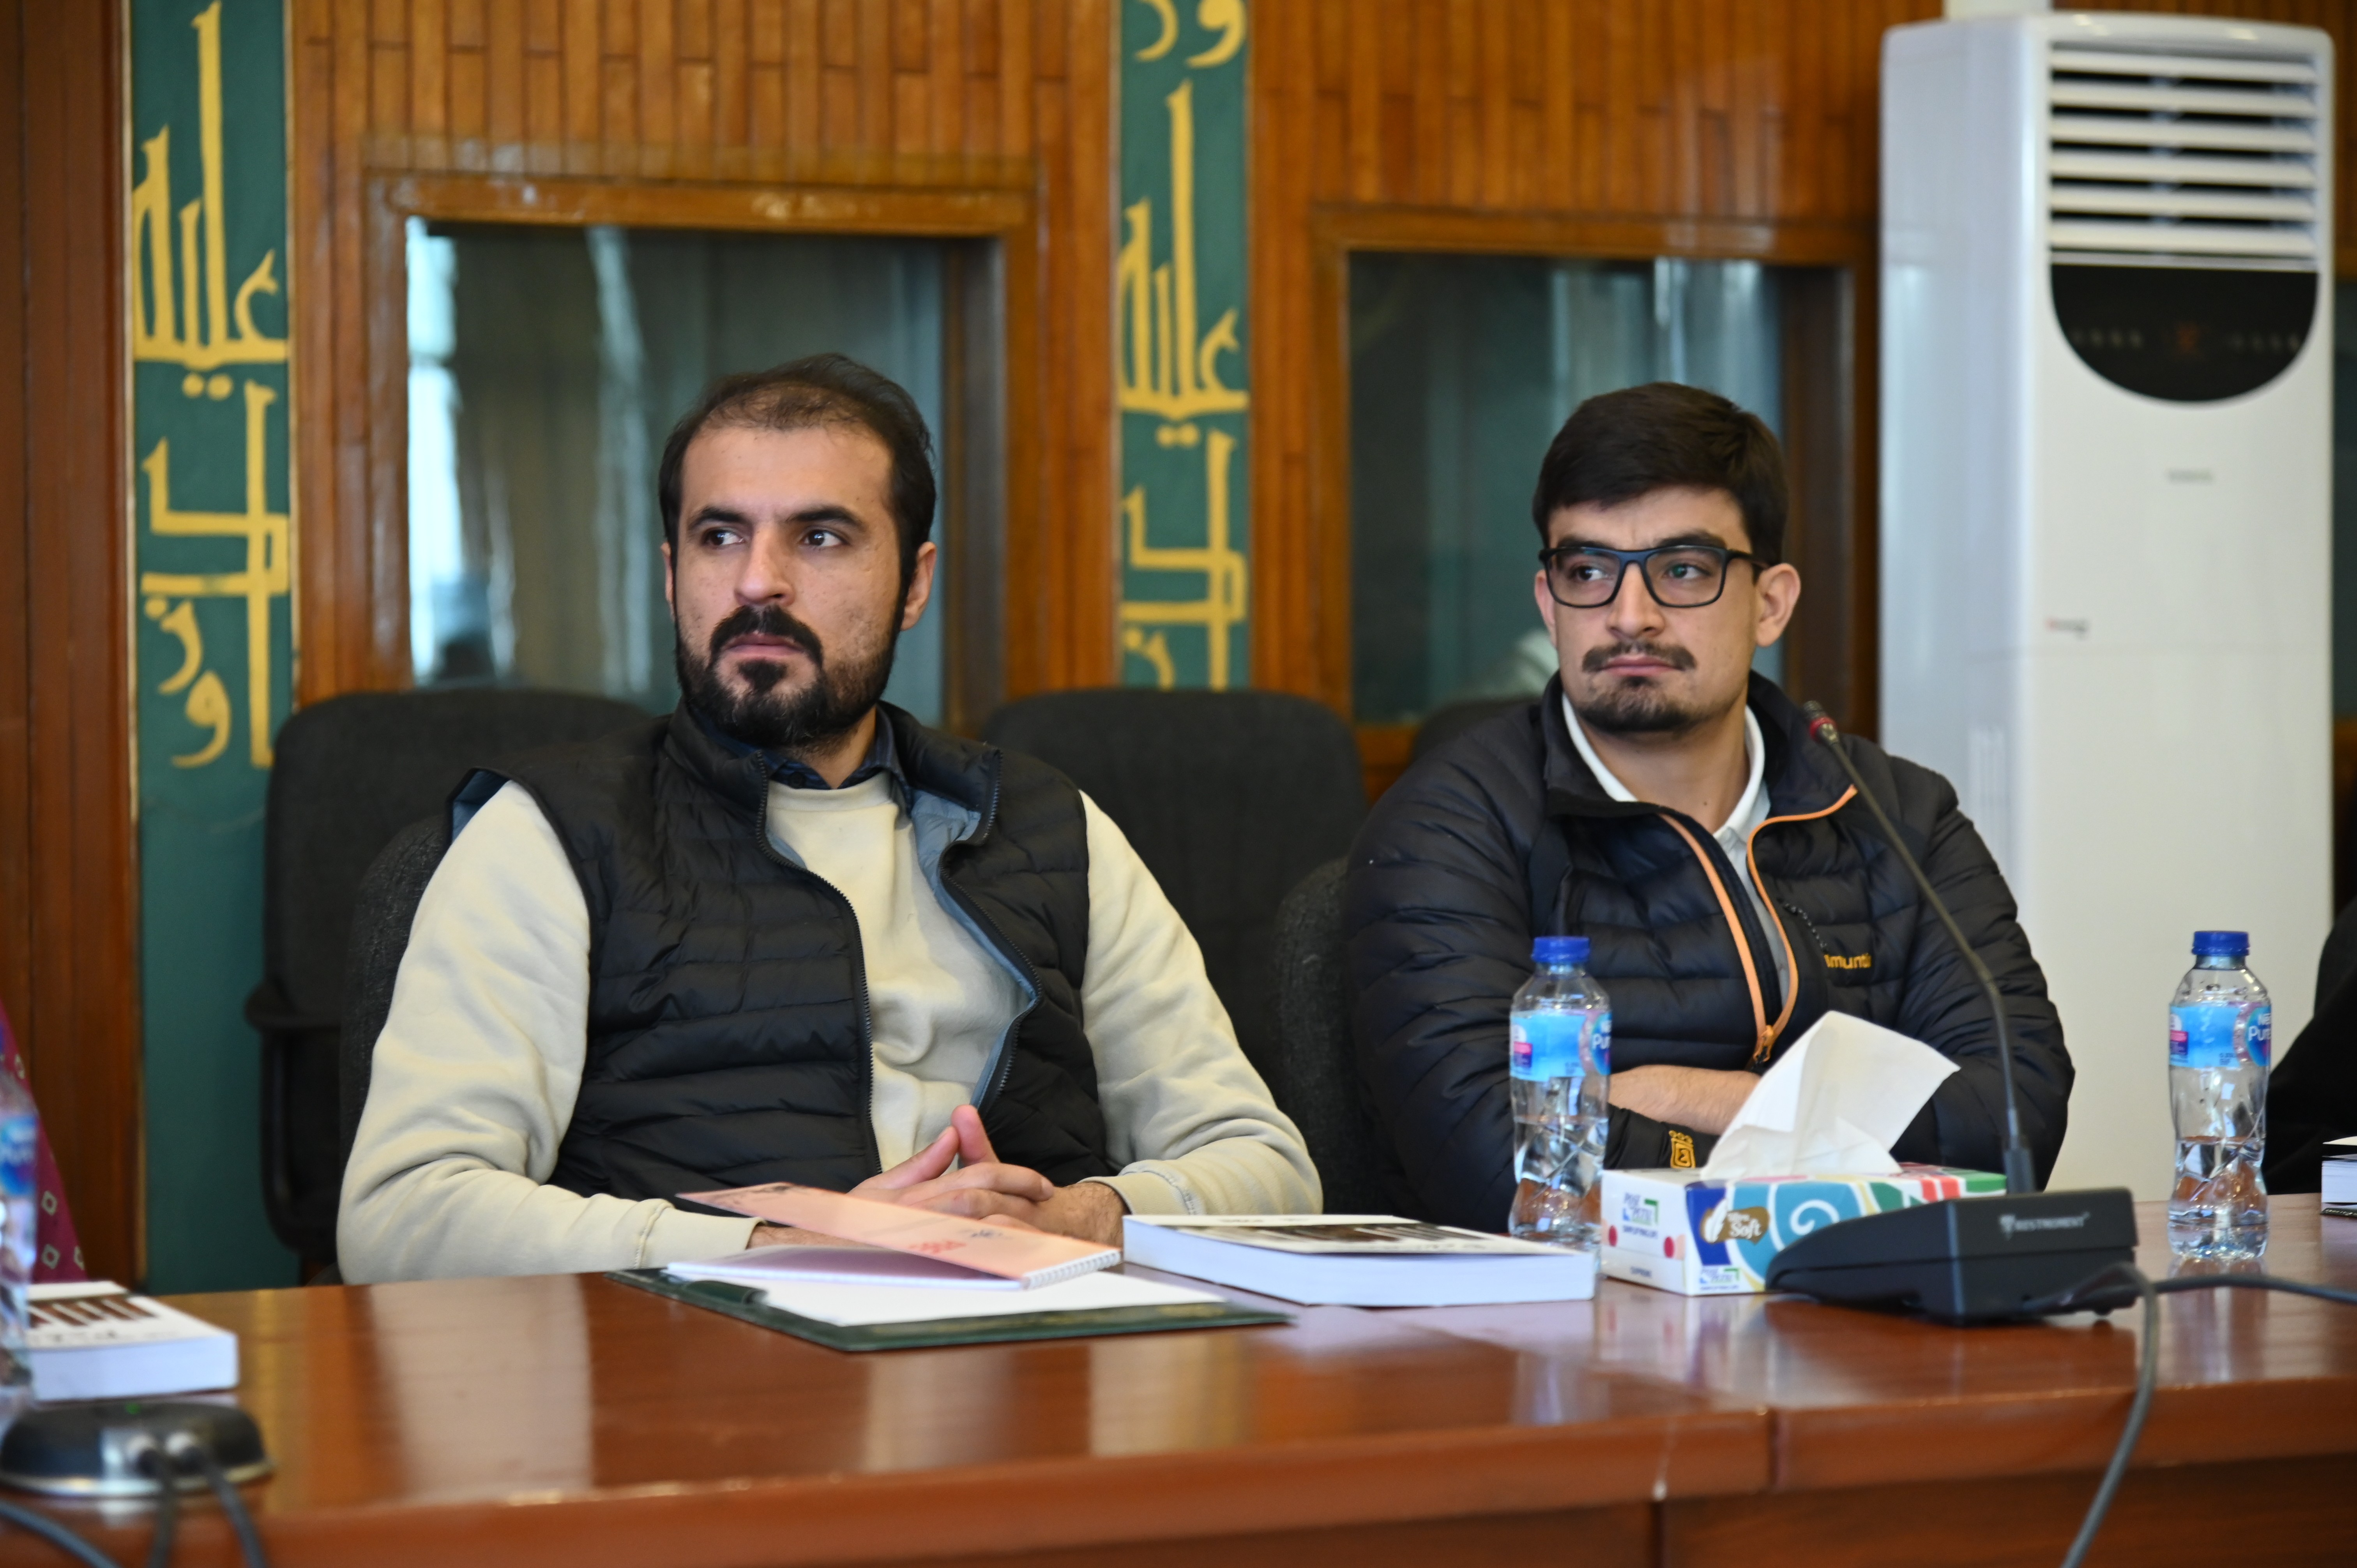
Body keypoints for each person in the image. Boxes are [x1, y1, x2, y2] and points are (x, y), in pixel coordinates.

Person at [340, 355, 1316, 1282]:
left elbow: (1269, 1169)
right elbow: (403, 1216)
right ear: (672, 573)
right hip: (704, 1378)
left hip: (1036, 1357)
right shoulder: (552, 834)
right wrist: (789, 1246)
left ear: (915, 584)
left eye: (821, 537)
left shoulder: (1050, 826)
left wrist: (1088, 1216)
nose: (760, 581)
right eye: (720, 536)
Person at [1344, 382, 2071, 1230]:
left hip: (1874, 1322)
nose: (1629, 616)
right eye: (1587, 572)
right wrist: (1837, 1139)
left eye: (1682, 570)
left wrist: (1677, 1096)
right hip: (1567, 1337)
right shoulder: (1448, 830)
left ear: (1772, 602)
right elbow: (1501, 1165)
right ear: (1548, 603)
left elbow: (2016, 1117)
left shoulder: (1894, 812)